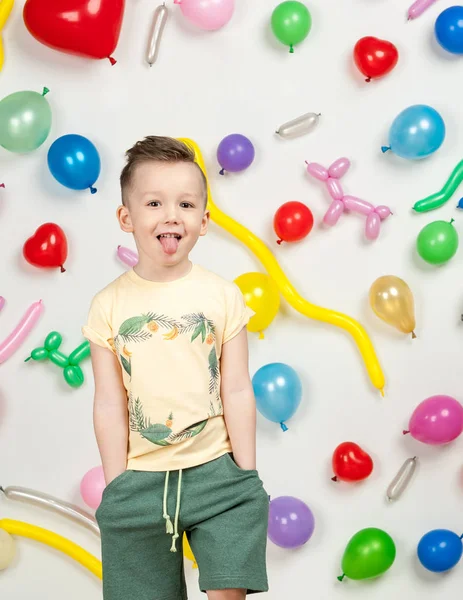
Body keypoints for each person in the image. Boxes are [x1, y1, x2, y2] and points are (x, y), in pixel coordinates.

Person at [82, 136, 269, 600]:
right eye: (154, 202)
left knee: (228, 591)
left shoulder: (223, 296)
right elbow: (109, 401)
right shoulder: (107, 305)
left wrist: (245, 474)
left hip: (219, 476)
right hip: (139, 482)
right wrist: (116, 486)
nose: (171, 214)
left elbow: (238, 389)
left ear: (203, 221)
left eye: (186, 203)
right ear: (127, 218)